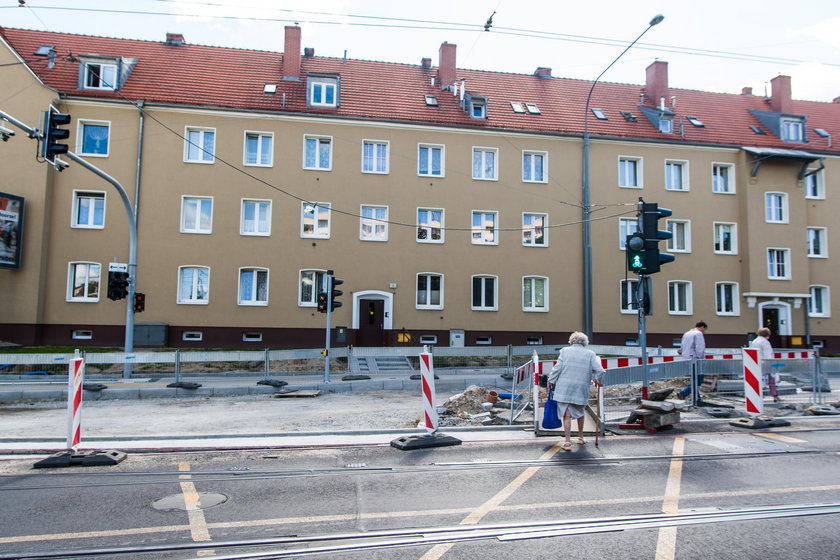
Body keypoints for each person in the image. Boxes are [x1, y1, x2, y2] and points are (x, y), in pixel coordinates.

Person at [547, 331, 605, 451]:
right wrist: (598, 380)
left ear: (571, 341)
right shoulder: (590, 354)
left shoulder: (564, 351)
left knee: (566, 414)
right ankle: (580, 437)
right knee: (580, 411)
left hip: (565, 387)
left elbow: (557, 368)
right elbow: (600, 370)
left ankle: (568, 442)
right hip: (581, 387)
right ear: (585, 342)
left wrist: (551, 381)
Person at [677, 321, 707, 399]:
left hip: (686, 359)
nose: (704, 331)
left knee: (694, 379)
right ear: (702, 327)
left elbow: (682, 347)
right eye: (704, 329)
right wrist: (701, 359)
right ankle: (683, 393)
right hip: (695, 359)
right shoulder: (698, 334)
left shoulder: (686, 333)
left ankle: (696, 398)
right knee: (698, 379)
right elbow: (700, 348)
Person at [750, 327, 779, 402]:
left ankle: (758, 396)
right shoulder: (765, 342)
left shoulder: (754, 341)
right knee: (771, 380)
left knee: (758, 380)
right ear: (767, 334)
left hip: (756, 363)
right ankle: (775, 395)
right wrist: (771, 364)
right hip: (766, 363)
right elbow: (767, 354)